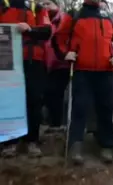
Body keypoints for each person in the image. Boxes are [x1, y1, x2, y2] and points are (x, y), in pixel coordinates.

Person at [52, 0, 113, 164]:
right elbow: (59, 37)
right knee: (79, 108)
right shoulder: (74, 15)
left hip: (106, 70)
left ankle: (106, 144)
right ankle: (75, 144)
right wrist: (65, 53)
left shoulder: (111, 17)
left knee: (106, 108)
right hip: (81, 70)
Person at [0, 0, 51, 157]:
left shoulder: (38, 8)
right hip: (6, 59)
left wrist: (29, 29)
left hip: (32, 60)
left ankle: (32, 141)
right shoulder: (2, 5)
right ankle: (10, 141)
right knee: (8, 100)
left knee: (34, 99)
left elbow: (47, 31)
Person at [42, 0, 68, 133]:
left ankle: (57, 123)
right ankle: (53, 122)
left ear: (57, 6)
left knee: (55, 92)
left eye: (48, 3)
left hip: (61, 63)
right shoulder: (41, 19)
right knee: (47, 93)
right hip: (45, 62)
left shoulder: (63, 20)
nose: (45, 6)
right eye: (43, 4)